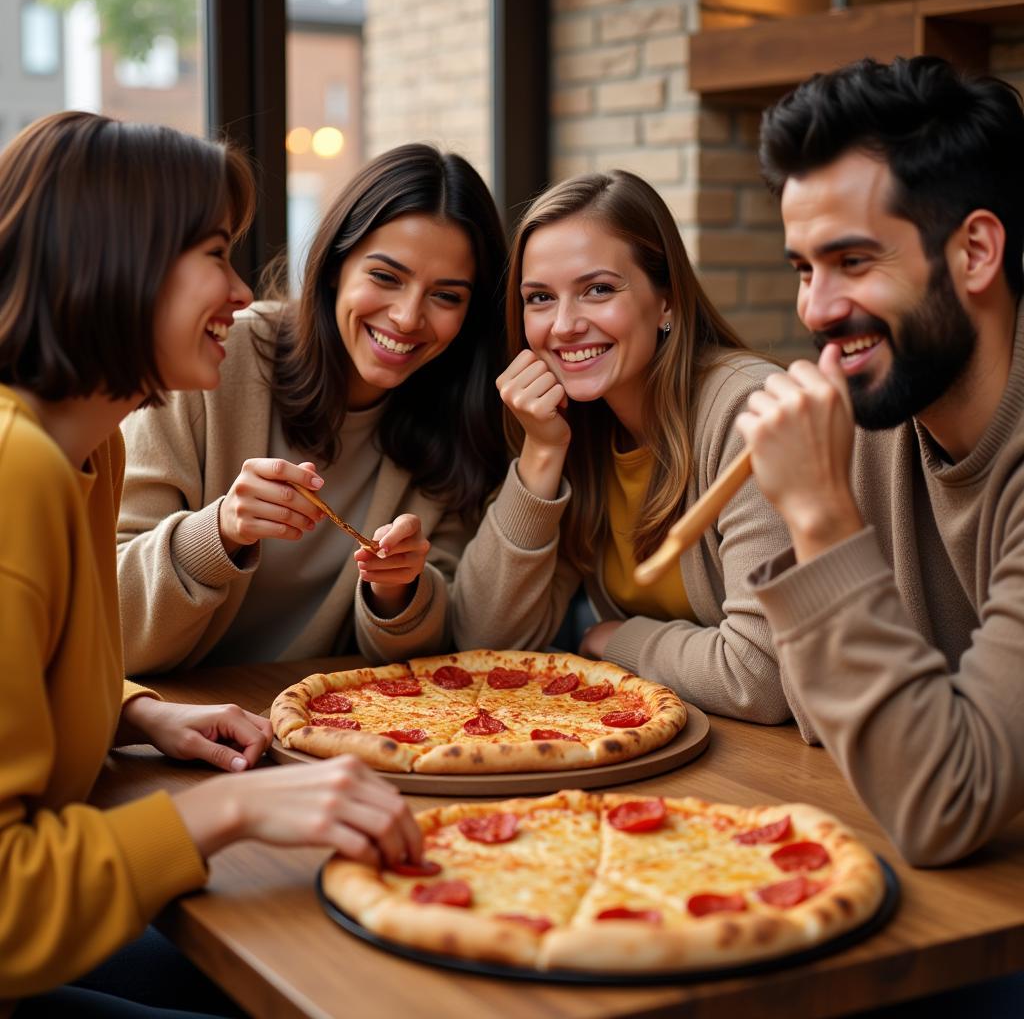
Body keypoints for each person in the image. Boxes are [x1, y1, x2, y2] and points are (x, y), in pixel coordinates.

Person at [0, 111, 420, 1015]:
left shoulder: (86, 451)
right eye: (216, 253)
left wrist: (140, 713)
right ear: (115, 259)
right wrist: (233, 811)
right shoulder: (14, 470)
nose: (240, 289)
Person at [735, 56, 1024, 865]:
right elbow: (814, 712)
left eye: (853, 262)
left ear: (974, 252)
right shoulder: (876, 409)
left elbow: (944, 803)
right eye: (803, 268)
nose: (816, 310)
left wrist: (821, 517)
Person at [117, 144, 507, 674]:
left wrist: (399, 589)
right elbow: (105, 613)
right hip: (167, 715)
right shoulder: (216, 357)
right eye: (386, 277)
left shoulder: (461, 415)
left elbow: (427, 652)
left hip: (330, 717)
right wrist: (221, 531)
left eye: (446, 296)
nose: (408, 317)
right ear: (334, 267)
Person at [452, 170, 793, 722]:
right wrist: (540, 454)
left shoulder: (746, 414)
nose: (564, 325)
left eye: (598, 290)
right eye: (540, 298)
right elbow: (482, 641)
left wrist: (616, 639)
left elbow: (761, 676)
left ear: (666, 301)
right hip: (664, 733)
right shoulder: (582, 428)